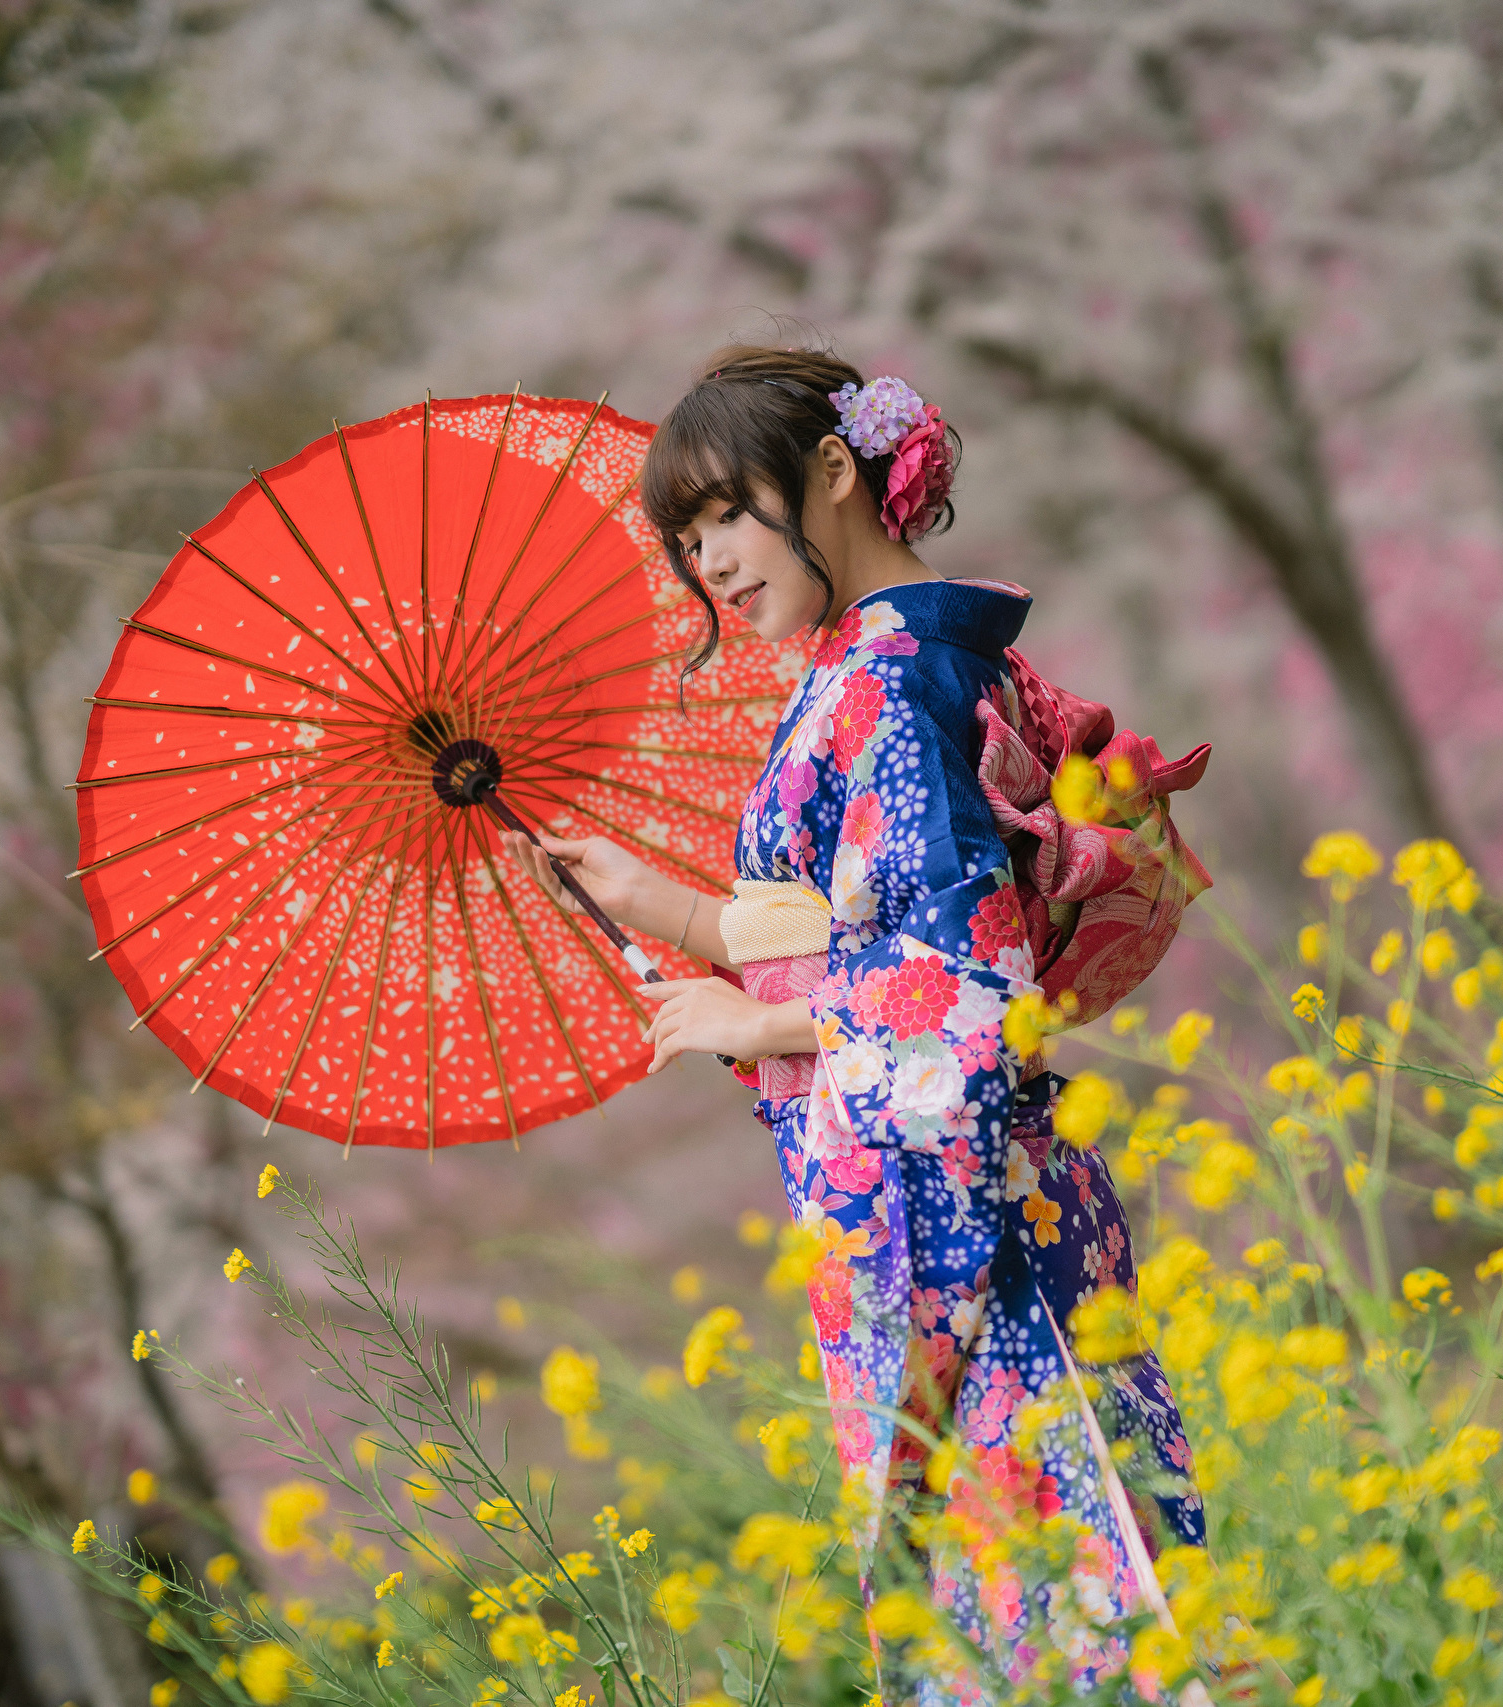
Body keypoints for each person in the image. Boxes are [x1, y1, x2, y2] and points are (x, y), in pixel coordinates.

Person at [504, 344, 1203, 1696]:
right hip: (969, 1187)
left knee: (1062, 1616)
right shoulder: (903, 672)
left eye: (722, 517)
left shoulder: (886, 691)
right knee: (1039, 1604)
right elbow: (854, 938)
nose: (707, 562)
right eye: (685, 537)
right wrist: (655, 901)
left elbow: (960, 994)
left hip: (976, 1222)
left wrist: (752, 1029)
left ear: (832, 471)